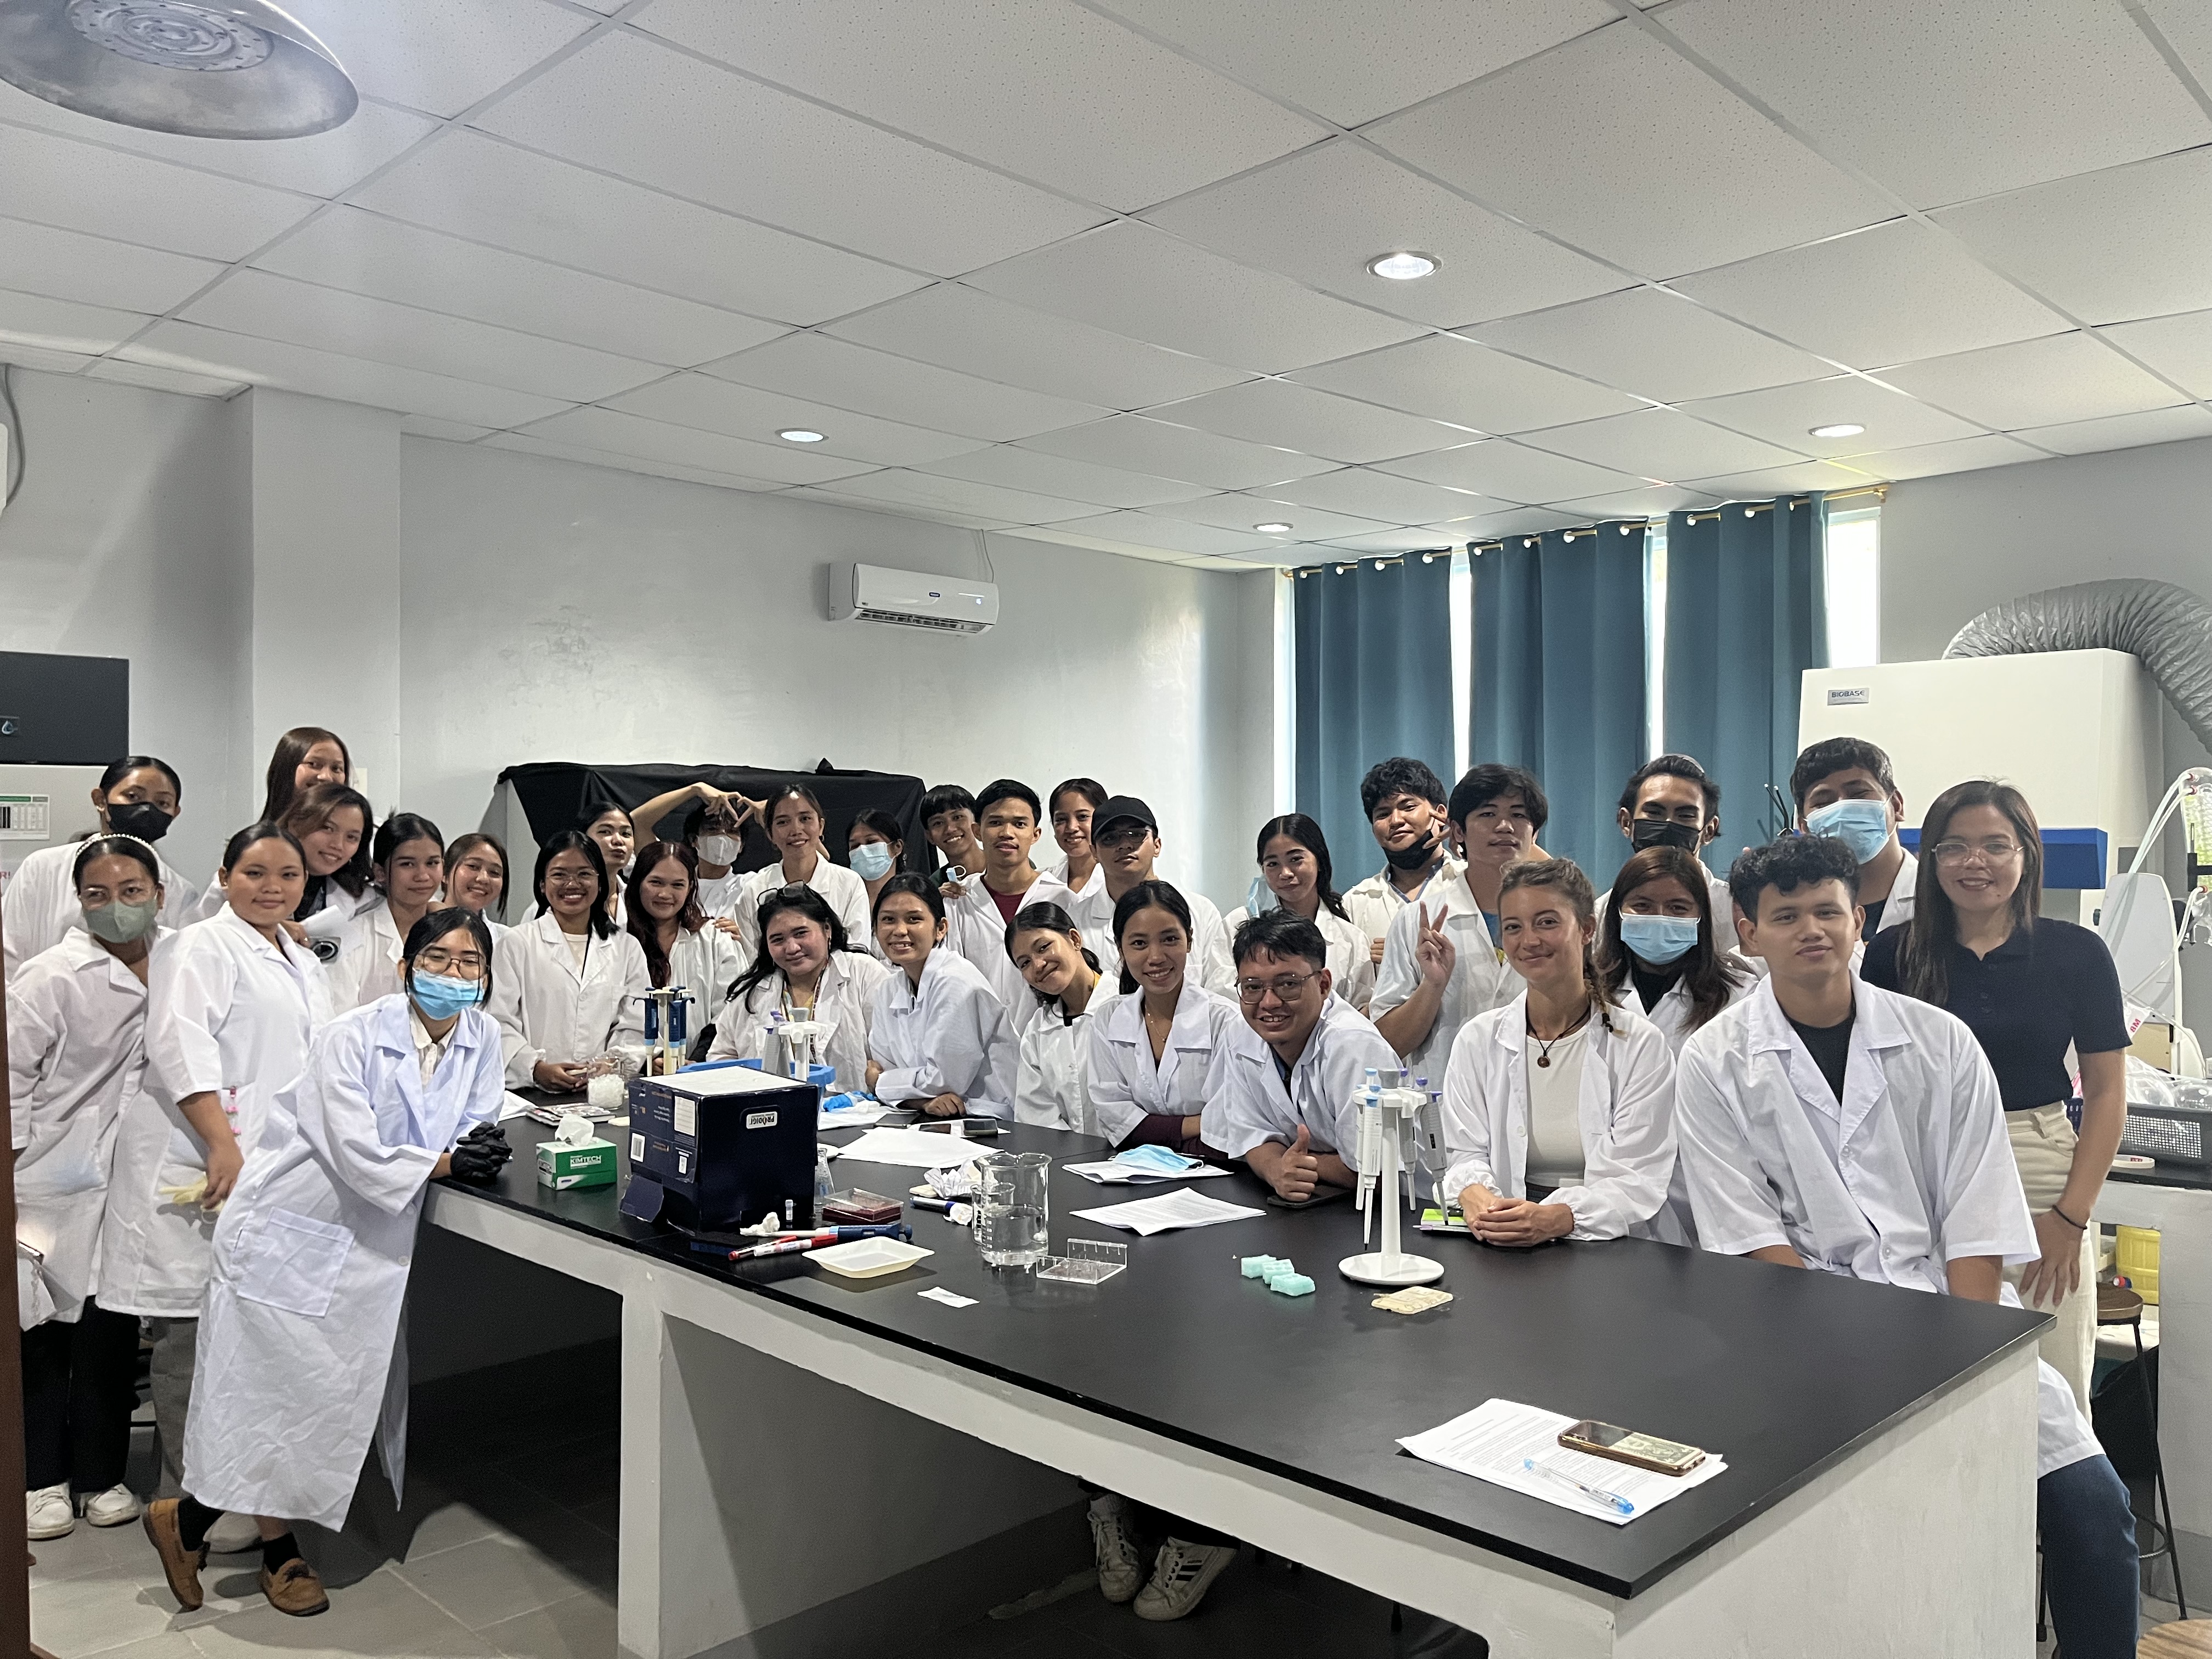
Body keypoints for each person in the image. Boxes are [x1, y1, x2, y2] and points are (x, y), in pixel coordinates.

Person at [1674, 835, 2139, 1659]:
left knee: (2093, 1509)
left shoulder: (1942, 1042)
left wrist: (1960, 1359)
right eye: (1786, 916)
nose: (1811, 930)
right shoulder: (1715, 1062)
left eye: (1828, 911)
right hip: (1801, 1333)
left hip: (1952, 1321)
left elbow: (1976, 1216)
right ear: (1748, 932)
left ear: (1859, 920)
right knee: (1865, 1544)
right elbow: (1748, 1234)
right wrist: (1857, 1349)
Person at [144, 909, 512, 1618]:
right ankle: (277, 1553)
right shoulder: (352, 1036)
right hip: (293, 1228)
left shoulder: (483, 1036)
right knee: (272, 1394)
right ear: (406, 968)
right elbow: (355, 1148)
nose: (454, 975)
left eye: (470, 963)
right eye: (438, 960)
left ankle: (184, 1521)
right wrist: (446, 1161)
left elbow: (478, 1117)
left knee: (318, 1397)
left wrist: (475, 1146)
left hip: (364, 1243)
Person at [1863, 781, 2128, 1415]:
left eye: (1995, 846)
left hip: (2035, 1165)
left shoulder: (2077, 953)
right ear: (1932, 859)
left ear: (2026, 855)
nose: (1973, 862)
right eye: (1954, 846)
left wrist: (2070, 1219)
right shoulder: (1895, 953)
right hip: (1924, 1169)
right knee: (1926, 1380)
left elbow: (2107, 1091)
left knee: (2048, 1385)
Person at [111, 825, 332, 1526]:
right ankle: (180, 1502)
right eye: (255, 873)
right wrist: (221, 1144)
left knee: (245, 1341)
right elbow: (179, 1047)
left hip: (272, 1169)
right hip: (206, 1161)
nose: (272, 888)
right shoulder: (198, 945)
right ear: (225, 876)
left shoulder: (301, 957)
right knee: (190, 1340)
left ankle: (233, 1493)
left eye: (288, 875)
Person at [9, 837, 168, 1538]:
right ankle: (39, 1477)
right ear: (78, 901)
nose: (116, 907)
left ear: (159, 895)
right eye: (98, 895)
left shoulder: (181, 960)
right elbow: (10, 1078)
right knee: (41, 1330)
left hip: (131, 1174)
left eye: (131, 892)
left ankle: (101, 1474)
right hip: (47, 1176)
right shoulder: (50, 976)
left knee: (110, 1326)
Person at [1440, 859, 1680, 1246]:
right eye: (1513, 927)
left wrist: (1558, 1218)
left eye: (1547, 922)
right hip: (1504, 1236)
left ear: (1586, 929)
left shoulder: (1639, 1045)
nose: (1529, 940)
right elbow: (1465, 1152)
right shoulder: (1478, 1040)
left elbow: (1638, 1177)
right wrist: (1479, 1199)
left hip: (1614, 1244)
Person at [1206, 910, 1396, 1201]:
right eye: (1253, 987)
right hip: (1313, 1202)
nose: (1269, 1003)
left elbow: (1379, 1172)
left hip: (1389, 1209)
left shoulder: (1354, 1047)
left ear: (1323, 985)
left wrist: (1297, 1164)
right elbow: (1249, 1133)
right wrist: (1275, 1169)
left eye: (1288, 984)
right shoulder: (1242, 1031)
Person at [1369, 764, 1537, 1086]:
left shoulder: (1553, 925)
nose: (1505, 826)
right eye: (1488, 814)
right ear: (1458, 832)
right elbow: (1389, 1043)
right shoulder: (1415, 920)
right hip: (1443, 1103)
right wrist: (1432, 987)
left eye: (1518, 815)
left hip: (1535, 1099)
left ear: (1535, 833)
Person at [3, 757, 201, 980]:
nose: (147, 809)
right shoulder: (43, 868)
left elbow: (182, 971)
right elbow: (9, 954)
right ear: (100, 800)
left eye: (162, 803)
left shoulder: (180, 892)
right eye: (133, 796)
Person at [1086, 882, 1238, 1154]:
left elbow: (1227, 1127)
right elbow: (1116, 1123)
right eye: (1139, 943)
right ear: (1121, 950)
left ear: (1190, 940)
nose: (1156, 957)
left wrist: (1149, 1132)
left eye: (1170, 939)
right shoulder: (1108, 1019)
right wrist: (1193, 1126)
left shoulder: (1225, 1021)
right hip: (1132, 1171)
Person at [491, 831, 648, 1090]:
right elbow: (499, 1021)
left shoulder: (627, 948)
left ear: (600, 883)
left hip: (603, 1091)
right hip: (531, 1092)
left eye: (584, 874)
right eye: (559, 875)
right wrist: (535, 1068)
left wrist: (612, 1064)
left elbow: (637, 1023)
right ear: (542, 884)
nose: (572, 884)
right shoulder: (516, 943)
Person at [865, 874, 1017, 1119]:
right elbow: (887, 1067)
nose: (900, 931)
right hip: (931, 1117)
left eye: (914, 919)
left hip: (991, 1117)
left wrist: (881, 1084)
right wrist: (920, 1100)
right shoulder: (887, 990)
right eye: (888, 920)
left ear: (941, 929)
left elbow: (945, 1080)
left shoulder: (956, 981)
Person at [709, 886, 890, 1091]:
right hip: (771, 1107)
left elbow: (891, 1052)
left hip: (858, 1107)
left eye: (801, 933)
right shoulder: (751, 993)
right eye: (778, 939)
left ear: (827, 930)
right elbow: (721, 1057)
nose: (792, 948)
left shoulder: (863, 974)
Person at [1068, 796, 1234, 995]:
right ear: (1094, 852)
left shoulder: (1200, 911)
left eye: (1136, 835)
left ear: (1157, 845)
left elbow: (1221, 990)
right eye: (1110, 838)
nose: (1125, 845)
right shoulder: (1075, 922)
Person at [1594, 846, 1754, 1052]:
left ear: (1700, 917)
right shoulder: (1584, 992)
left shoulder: (1739, 996)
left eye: (1678, 908)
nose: (1660, 917)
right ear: (1617, 913)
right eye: (1642, 906)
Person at [943, 780, 1074, 1029]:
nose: (1007, 832)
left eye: (1019, 824)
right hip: (977, 1042)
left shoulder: (1062, 900)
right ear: (977, 831)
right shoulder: (958, 902)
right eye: (995, 823)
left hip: (1049, 1038)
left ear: (1035, 834)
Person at [184, 727, 351, 922]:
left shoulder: (356, 861)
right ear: (286, 769)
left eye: (337, 769)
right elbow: (204, 925)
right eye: (314, 765)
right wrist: (272, 928)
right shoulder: (252, 847)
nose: (326, 777)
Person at [1222, 814, 1375, 1012]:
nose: (1285, 873)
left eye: (1296, 860)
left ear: (1319, 861)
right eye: (1273, 864)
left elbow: (1361, 1011)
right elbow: (1225, 1001)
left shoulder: (1351, 940)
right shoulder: (1236, 924)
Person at [308, 813, 445, 1011]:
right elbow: (338, 1017)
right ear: (380, 872)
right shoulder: (353, 937)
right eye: (407, 864)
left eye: (432, 863)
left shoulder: (451, 934)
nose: (423, 876)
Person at [1604, 754, 1742, 950]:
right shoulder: (1600, 913)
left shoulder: (1736, 913)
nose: (1668, 825)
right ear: (1627, 822)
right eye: (1654, 813)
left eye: (1685, 815)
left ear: (1709, 830)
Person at [1344, 758, 1463, 968]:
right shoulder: (1354, 903)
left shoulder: (1471, 881)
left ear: (1441, 814)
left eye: (1408, 807)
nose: (1396, 820)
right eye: (1383, 814)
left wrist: (1404, 952)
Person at [1791, 736, 1915, 938]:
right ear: (1804, 826)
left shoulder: (1943, 895)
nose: (1842, 808)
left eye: (1859, 793)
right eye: (1823, 803)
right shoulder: (1789, 907)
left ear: (1896, 805)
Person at [625, 841, 746, 1047]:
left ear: (690, 888)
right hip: (636, 1061)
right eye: (656, 882)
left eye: (677, 885)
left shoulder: (716, 938)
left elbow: (732, 1008)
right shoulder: (619, 942)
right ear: (637, 883)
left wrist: (700, 1058)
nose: (665, 894)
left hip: (705, 1062)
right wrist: (647, 1057)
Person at [1007, 902, 1111, 1133]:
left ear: (1075, 939)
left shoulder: (1125, 1004)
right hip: (1063, 1153)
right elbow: (1036, 1118)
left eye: (1043, 947)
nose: (1038, 965)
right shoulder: (1038, 1030)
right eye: (1025, 963)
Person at [732, 786, 871, 955]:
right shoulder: (754, 890)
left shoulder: (849, 883)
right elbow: (752, 958)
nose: (796, 830)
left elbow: (858, 952)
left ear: (821, 826)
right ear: (770, 834)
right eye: (783, 822)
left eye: (805, 819)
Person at [279, 783, 376, 927]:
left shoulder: (363, 900)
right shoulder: (255, 879)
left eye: (351, 837)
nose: (338, 845)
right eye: (328, 828)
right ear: (295, 825)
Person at [1045, 778, 1108, 906]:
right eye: (1061, 819)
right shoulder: (1043, 882)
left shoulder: (1121, 880)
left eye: (1082, 817)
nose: (1072, 828)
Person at [439, 832, 510, 940]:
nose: (484, 878)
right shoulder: (418, 925)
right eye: (473, 866)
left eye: (494, 872)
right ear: (445, 872)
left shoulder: (507, 939)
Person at [581, 803, 638, 926]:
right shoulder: (565, 898)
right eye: (605, 832)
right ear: (582, 839)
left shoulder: (637, 900)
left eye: (626, 834)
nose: (618, 841)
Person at [919, 783, 985, 879]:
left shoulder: (1004, 865)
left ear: (976, 821)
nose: (950, 829)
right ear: (929, 836)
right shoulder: (934, 885)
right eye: (938, 823)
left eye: (958, 817)